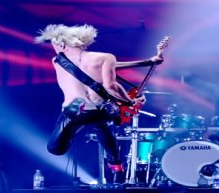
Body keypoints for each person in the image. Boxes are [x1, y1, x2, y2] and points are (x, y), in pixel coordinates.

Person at [35, 24, 162, 184]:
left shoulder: (57, 60)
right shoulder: (105, 58)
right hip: (99, 110)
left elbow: (108, 79)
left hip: (74, 111)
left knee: (54, 149)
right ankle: (116, 165)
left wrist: (146, 63)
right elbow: (111, 84)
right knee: (102, 125)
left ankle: (76, 135)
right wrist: (130, 101)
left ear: (62, 45)